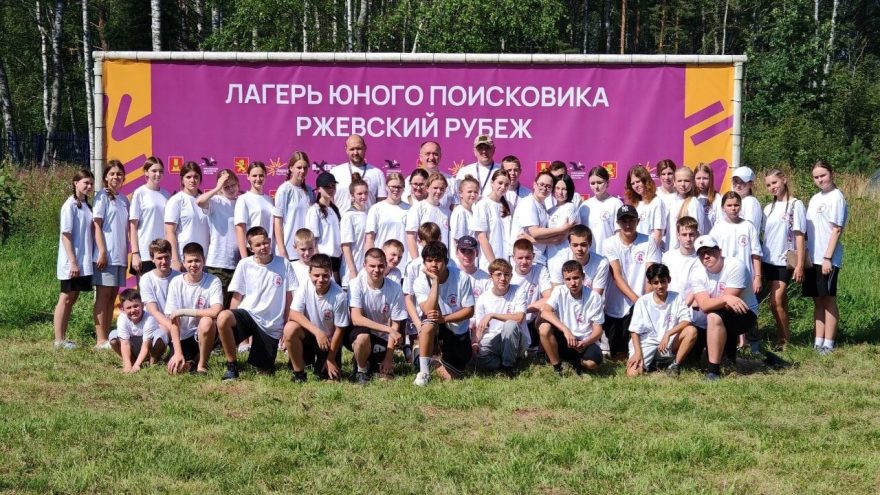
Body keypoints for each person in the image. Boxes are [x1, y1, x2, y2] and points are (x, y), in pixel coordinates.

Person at [216, 226, 298, 380]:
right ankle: (232, 366)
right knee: (223, 317)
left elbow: (289, 299)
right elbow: (237, 296)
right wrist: (231, 320)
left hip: (270, 325)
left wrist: (285, 325)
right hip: (248, 314)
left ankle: (263, 358)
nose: (263, 247)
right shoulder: (244, 264)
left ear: (270, 241)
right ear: (251, 248)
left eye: (265, 243)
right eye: (258, 245)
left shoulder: (284, 263)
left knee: (263, 372)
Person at [691, 235, 760, 380]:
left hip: (745, 312)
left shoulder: (735, 266)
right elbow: (704, 305)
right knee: (712, 315)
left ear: (720, 251)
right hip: (720, 310)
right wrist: (724, 298)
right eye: (701, 253)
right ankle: (731, 359)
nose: (706, 256)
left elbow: (729, 306)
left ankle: (713, 371)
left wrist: (721, 300)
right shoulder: (696, 272)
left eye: (710, 251)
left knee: (714, 316)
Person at [412, 241, 476, 386]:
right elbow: (428, 311)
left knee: (453, 377)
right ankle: (424, 373)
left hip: (457, 331)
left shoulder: (462, 277)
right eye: (429, 260)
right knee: (428, 324)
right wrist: (435, 282)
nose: (433, 265)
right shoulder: (420, 281)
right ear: (424, 263)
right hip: (436, 326)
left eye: (438, 260)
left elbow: (469, 310)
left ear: (446, 261)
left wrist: (444, 319)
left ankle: (424, 357)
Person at [604, 205, 661, 359]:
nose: (628, 225)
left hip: (640, 301)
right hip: (616, 305)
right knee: (618, 355)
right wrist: (638, 300)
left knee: (641, 351)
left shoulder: (648, 241)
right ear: (618, 223)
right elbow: (617, 276)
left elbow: (650, 274)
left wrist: (645, 302)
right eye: (624, 221)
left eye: (631, 220)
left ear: (638, 221)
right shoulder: (610, 243)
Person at [283, 254, 349, 382]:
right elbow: (293, 313)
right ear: (309, 273)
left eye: (325, 275)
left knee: (331, 379)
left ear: (331, 273)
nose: (320, 279)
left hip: (329, 342)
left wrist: (330, 358)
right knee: (290, 328)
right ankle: (299, 374)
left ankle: (327, 361)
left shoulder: (340, 296)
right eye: (316, 275)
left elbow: (340, 330)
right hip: (310, 336)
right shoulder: (305, 285)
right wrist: (317, 332)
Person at [804, 160, 848, 355]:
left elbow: (837, 229)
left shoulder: (836, 197)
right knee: (817, 299)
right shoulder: (815, 198)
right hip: (812, 257)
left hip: (827, 257)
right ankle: (818, 340)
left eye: (823, 175)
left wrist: (827, 258)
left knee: (828, 299)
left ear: (832, 173)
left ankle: (828, 343)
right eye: (816, 177)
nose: (820, 180)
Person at [347, 248, 407, 383]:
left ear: (385, 265)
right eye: (372, 266)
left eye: (380, 266)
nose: (376, 270)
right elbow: (356, 318)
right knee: (362, 338)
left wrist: (388, 358)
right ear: (364, 266)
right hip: (359, 332)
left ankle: (367, 359)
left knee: (385, 378)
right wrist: (388, 329)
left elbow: (396, 324)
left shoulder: (395, 288)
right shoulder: (355, 284)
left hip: (382, 337)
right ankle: (361, 371)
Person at [626, 264, 697, 377]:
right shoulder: (642, 301)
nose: (660, 286)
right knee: (633, 374)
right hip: (646, 342)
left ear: (669, 280)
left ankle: (675, 365)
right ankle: (652, 363)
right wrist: (637, 353)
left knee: (691, 331)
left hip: (668, 342)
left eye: (663, 281)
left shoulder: (676, 297)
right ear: (650, 283)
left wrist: (668, 333)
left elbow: (686, 320)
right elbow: (634, 331)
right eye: (655, 283)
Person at [761, 169, 806, 348]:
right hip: (768, 260)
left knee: (775, 302)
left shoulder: (796, 205)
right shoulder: (768, 208)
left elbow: (800, 235)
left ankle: (784, 341)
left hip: (784, 261)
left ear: (784, 180)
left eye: (775, 182)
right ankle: (784, 335)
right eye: (768, 185)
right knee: (781, 302)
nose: (772, 187)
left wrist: (800, 264)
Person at [164, 242, 224, 375]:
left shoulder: (213, 281)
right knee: (176, 371)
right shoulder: (176, 282)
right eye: (190, 261)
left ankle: (201, 365)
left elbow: (216, 311)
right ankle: (191, 361)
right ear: (183, 263)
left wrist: (183, 312)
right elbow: (173, 320)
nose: (193, 264)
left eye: (197, 260)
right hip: (183, 337)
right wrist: (178, 352)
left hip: (205, 333)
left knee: (207, 321)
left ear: (204, 261)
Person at [538, 260, 605, 375]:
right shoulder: (559, 291)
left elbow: (598, 330)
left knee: (591, 364)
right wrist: (566, 330)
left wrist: (585, 342)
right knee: (544, 327)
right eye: (568, 279)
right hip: (565, 337)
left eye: (576, 278)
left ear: (583, 277)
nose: (572, 283)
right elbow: (545, 312)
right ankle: (557, 368)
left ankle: (576, 363)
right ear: (563, 280)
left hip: (584, 341)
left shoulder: (594, 297)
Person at [53, 169, 94, 349]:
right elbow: (66, 235)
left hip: (83, 261)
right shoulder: (69, 205)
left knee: (73, 297)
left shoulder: (86, 205)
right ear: (75, 183)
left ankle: (63, 337)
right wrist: (73, 262)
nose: (89, 186)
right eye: (85, 182)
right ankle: (58, 340)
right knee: (66, 297)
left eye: (91, 183)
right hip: (72, 262)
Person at [92, 160, 129, 349]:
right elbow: (97, 225)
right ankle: (100, 340)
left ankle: (106, 337)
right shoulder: (101, 197)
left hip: (120, 256)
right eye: (112, 174)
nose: (116, 177)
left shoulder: (124, 200)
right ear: (106, 177)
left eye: (119, 174)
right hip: (105, 256)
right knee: (103, 296)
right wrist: (102, 251)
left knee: (112, 296)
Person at [473, 259, 527, 375]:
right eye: (498, 274)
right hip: (493, 338)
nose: (503, 278)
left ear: (511, 276)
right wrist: (475, 343)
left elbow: (519, 318)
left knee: (510, 325)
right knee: (477, 358)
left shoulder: (518, 291)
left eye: (506, 274)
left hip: (515, 338)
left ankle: (508, 367)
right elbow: (480, 327)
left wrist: (492, 315)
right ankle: (502, 363)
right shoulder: (483, 298)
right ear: (490, 276)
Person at [196, 169, 240, 308]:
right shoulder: (216, 201)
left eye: (233, 185)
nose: (231, 189)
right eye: (226, 187)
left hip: (239, 263)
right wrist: (217, 188)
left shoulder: (242, 202)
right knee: (217, 307)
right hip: (218, 263)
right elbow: (199, 201)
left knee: (233, 310)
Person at [511, 170, 572, 267]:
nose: (544, 188)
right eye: (541, 184)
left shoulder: (542, 205)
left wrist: (534, 240)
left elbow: (553, 238)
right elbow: (535, 232)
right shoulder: (528, 203)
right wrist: (561, 229)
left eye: (548, 186)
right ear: (534, 184)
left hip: (537, 259)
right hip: (525, 260)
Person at [661, 216, 705, 333]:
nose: (688, 239)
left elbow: (698, 287)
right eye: (684, 235)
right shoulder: (668, 257)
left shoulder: (702, 259)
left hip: (695, 315)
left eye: (691, 234)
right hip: (671, 311)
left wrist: (684, 306)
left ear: (697, 234)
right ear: (678, 235)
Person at [128, 156, 170, 277]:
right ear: (146, 172)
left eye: (160, 171)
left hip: (162, 253)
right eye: (154, 171)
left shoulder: (166, 194)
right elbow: (133, 226)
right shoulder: (139, 193)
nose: (158, 174)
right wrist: (135, 253)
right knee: (144, 289)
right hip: (144, 254)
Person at [165, 161, 209, 270]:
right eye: (188, 177)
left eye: (196, 177)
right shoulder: (176, 200)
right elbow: (169, 232)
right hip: (184, 260)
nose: (192, 180)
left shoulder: (206, 200)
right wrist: (174, 259)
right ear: (182, 179)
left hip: (204, 259)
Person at [108, 289, 167, 372]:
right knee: (113, 337)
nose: (133, 310)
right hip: (132, 346)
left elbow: (145, 346)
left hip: (149, 348)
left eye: (136, 306)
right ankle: (130, 362)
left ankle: (152, 363)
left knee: (161, 335)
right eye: (128, 308)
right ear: (123, 309)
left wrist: (137, 365)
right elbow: (125, 343)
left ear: (142, 305)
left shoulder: (149, 319)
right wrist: (127, 366)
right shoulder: (122, 318)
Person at [510, 239, 553, 350]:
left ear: (533, 256)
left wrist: (523, 310)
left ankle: (541, 352)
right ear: (513, 257)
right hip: (514, 320)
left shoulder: (540, 270)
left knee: (547, 310)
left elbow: (549, 298)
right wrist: (518, 314)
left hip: (533, 320)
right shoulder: (507, 273)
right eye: (520, 258)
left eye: (528, 257)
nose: (524, 261)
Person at [273, 151, 314, 260]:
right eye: (299, 167)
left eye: (305, 168)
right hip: (289, 251)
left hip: (307, 252)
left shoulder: (310, 191)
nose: (302, 171)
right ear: (291, 168)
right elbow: (278, 222)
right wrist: (282, 250)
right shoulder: (284, 190)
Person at [330, 134, 386, 213]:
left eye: (359, 148)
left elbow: (381, 206)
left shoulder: (377, 173)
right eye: (352, 149)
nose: (355, 152)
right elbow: (329, 201)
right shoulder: (335, 172)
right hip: (341, 220)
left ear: (365, 148)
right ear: (346, 150)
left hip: (367, 220)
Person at [139, 239, 180, 343]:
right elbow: (153, 311)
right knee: (162, 332)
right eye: (159, 258)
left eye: (166, 257)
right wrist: (173, 328)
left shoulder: (180, 277)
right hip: (155, 322)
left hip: (176, 321)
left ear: (171, 255)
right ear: (152, 259)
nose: (164, 261)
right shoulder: (146, 279)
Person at [548, 224, 610, 295]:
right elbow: (556, 294)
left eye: (583, 245)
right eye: (575, 245)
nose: (579, 249)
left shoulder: (601, 263)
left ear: (590, 244)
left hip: (589, 301)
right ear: (569, 245)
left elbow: (596, 297)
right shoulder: (560, 262)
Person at [365, 172, 411, 267]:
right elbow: (370, 238)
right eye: (393, 187)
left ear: (403, 188)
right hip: (380, 265)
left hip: (403, 263)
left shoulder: (410, 210)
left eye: (399, 187)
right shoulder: (376, 208)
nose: (396, 190)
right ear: (386, 187)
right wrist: (370, 262)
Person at [305, 171, 343, 281]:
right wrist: (317, 263)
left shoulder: (334, 209)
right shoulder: (314, 210)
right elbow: (312, 239)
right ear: (319, 189)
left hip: (336, 260)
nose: (331, 189)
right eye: (326, 186)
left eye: (333, 185)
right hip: (322, 260)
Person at [405, 172, 451, 260]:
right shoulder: (417, 208)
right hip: (422, 260)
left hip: (440, 261)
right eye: (435, 188)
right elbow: (411, 237)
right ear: (427, 188)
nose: (438, 191)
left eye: (442, 189)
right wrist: (416, 261)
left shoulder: (447, 212)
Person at [471, 169, 511, 269]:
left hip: (507, 262)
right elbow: (481, 237)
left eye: (506, 184)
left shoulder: (508, 205)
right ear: (492, 183)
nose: (503, 187)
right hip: (490, 264)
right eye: (500, 183)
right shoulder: (482, 204)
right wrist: (494, 264)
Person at [579, 166, 623, 256]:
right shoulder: (584, 206)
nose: (596, 186)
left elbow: (619, 234)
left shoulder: (616, 203)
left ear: (607, 182)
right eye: (592, 183)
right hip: (589, 257)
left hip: (609, 256)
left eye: (599, 182)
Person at [234, 161, 274, 259]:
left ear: (265, 176)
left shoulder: (270, 200)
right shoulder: (243, 199)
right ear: (248, 177)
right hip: (252, 251)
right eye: (254, 176)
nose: (258, 179)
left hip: (268, 249)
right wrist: (244, 258)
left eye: (261, 175)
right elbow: (240, 229)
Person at [665, 166, 709, 249]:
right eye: (679, 181)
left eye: (686, 181)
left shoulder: (694, 203)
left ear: (692, 182)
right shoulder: (669, 200)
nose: (683, 184)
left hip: (687, 252)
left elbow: (698, 231)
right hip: (670, 251)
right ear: (674, 182)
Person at [625, 164, 667, 250]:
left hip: (650, 251)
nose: (636, 186)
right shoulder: (634, 204)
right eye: (633, 183)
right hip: (635, 251)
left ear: (645, 181)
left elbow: (658, 233)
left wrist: (650, 253)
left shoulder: (656, 202)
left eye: (638, 181)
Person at [546, 174, 581, 270]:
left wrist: (533, 240)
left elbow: (560, 238)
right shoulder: (550, 211)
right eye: (557, 188)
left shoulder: (571, 207)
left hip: (566, 256)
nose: (560, 192)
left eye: (564, 189)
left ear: (569, 191)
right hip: (551, 256)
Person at [340, 173, 369, 288]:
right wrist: (352, 271)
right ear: (352, 196)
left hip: (366, 272)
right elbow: (346, 246)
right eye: (359, 194)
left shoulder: (369, 214)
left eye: (366, 193)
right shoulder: (348, 216)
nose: (363, 196)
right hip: (352, 273)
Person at [405, 141, 455, 208]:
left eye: (435, 154)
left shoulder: (451, 181)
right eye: (427, 154)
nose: (431, 157)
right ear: (421, 157)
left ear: (440, 157)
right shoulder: (410, 180)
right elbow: (405, 204)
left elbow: (455, 208)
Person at [449, 175, 479, 253]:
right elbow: (457, 241)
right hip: (464, 256)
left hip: (473, 254)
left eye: (476, 192)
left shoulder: (475, 211)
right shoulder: (459, 212)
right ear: (460, 193)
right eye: (469, 192)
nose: (473, 195)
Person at [694, 163, 721, 228]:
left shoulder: (717, 198)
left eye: (705, 178)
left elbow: (719, 221)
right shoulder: (691, 197)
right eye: (698, 178)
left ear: (711, 179)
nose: (701, 182)